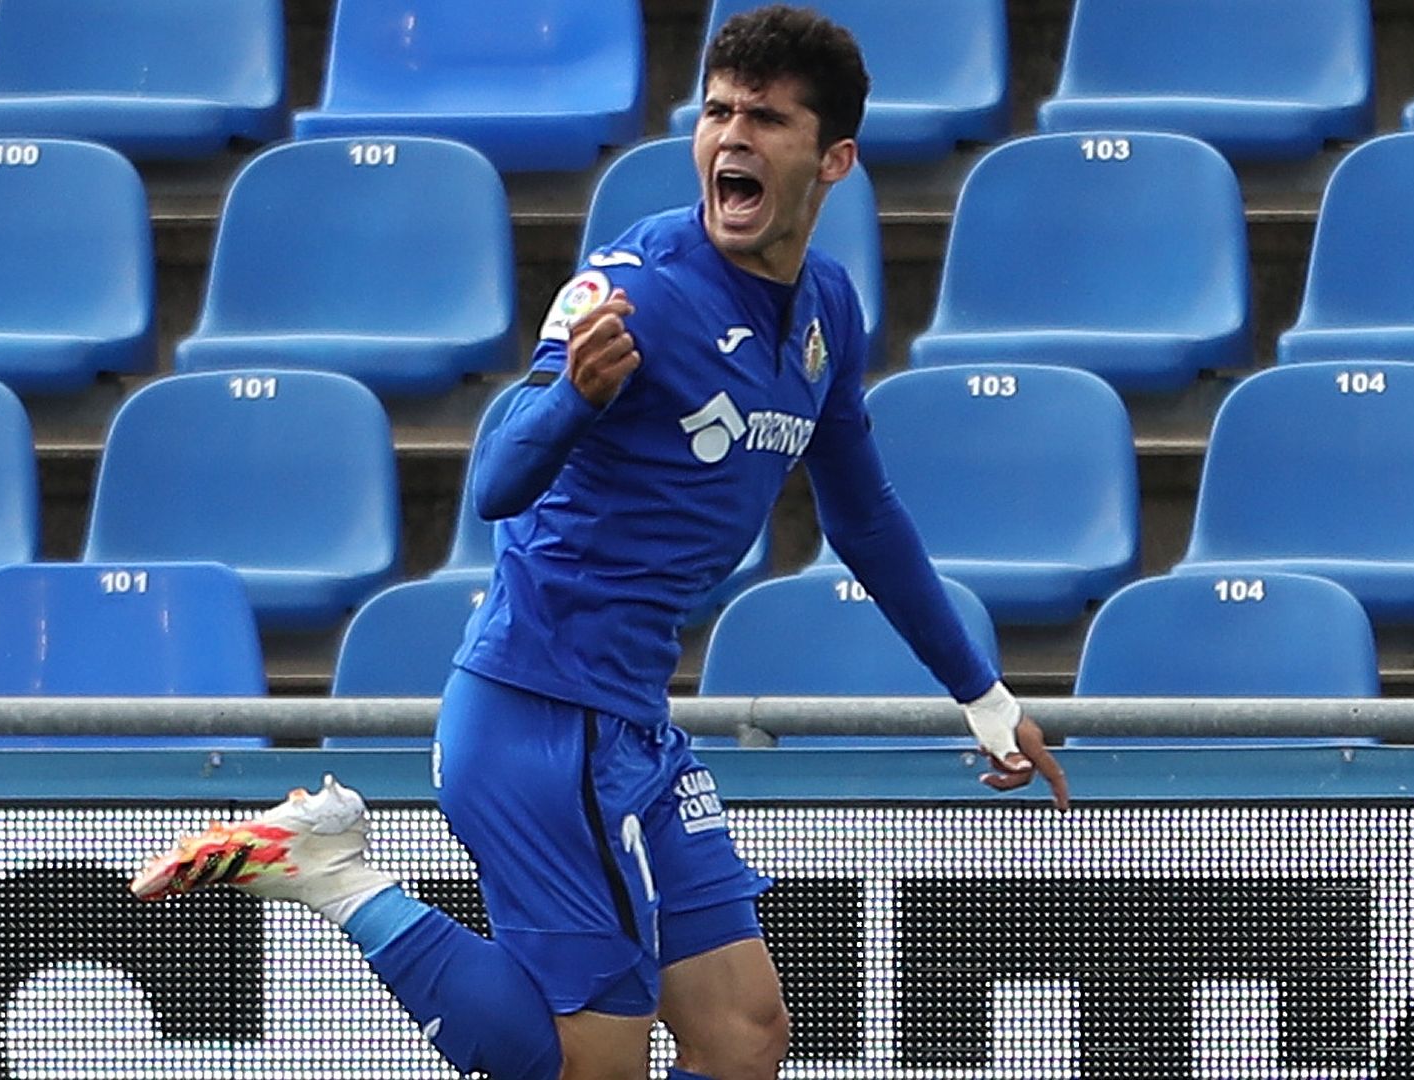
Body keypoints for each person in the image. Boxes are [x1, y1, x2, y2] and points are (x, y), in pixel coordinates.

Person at [131, 6, 1067, 1078]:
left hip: (629, 719)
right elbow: (496, 481)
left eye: (765, 119)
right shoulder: (638, 283)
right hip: (542, 716)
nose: (731, 137)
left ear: (834, 159)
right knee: (592, 1066)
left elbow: (862, 515)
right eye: (717, 112)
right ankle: (334, 875)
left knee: (744, 1036)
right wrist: (573, 397)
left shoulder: (827, 311)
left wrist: (982, 694)